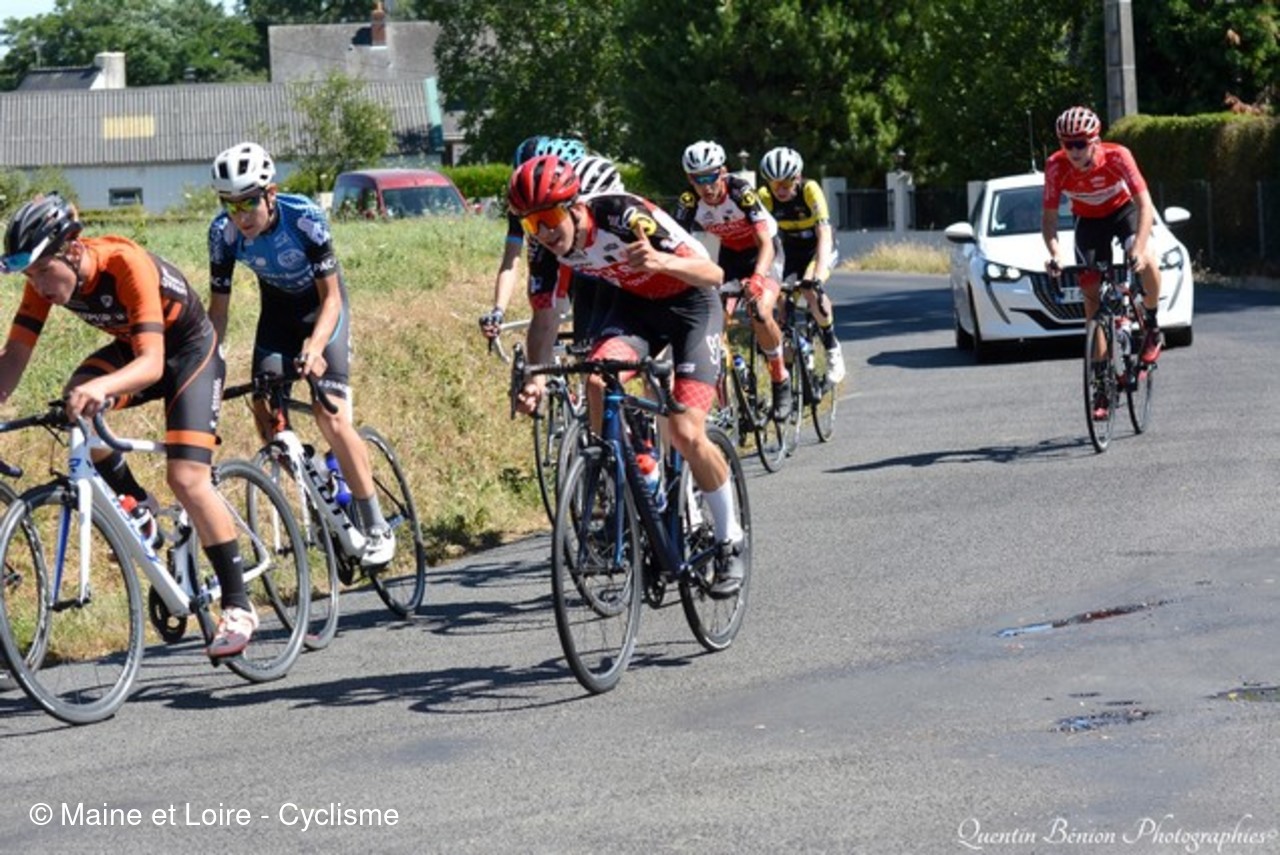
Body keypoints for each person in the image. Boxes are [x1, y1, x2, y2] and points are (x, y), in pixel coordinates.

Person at [0, 193, 258, 656]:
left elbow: (152, 365)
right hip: (136, 348)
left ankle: (239, 605)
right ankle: (138, 504)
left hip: (188, 354)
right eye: (28, 276)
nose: (36, 285)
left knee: (187, 477)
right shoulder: (42, 284)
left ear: (71, 251)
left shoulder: (124, 263)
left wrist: (101, 388)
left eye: (41, 271)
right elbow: (15, 356)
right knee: (77, 403)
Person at [507, 154, 747, 594]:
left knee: (686, 432)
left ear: (575, 207)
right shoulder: (544, 247)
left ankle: (729, 539)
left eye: (549, 219)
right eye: (530, 224)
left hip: (692, 307)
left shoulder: (622, 215)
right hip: (636, 309)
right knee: (597, 381)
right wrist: (536, 380)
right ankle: (643, 479)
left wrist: (660, 262)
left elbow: (713, 273)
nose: (542, 233)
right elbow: (543, 317)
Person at [207, 141, 394, 573]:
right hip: (277, 317)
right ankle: (320, 485)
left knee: (330, 415)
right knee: (266, 413)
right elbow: (218, 312)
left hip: (323, 312)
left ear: (270, 193)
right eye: (229, 204)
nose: (240, 215)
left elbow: (332, 299)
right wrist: (207, 362)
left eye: (249, 202)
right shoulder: (222, 234)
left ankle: (376, 524)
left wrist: (315, 345)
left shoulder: (304, 218)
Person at [1042, 106, 1164, 420]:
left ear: (1095, 141)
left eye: (1080, 143)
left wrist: (1138, 249)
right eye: (1067, 144)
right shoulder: (1055, 166)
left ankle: (1152, 325)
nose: (1073, 151)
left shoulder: (1118, 156)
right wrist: (1055, 254)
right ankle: (1101, 386)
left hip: (1123, 212)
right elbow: (1050, 220)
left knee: (1147, 258)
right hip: (1088, 222)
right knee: (1092, 303)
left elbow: (1145, 205)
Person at [675, 140, 792, 421]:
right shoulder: (688, 202)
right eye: (697, 179)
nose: (705, 186)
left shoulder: (741, 192)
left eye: (710, 177)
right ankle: (731, 389)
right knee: (712, 322)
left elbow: (765, 243)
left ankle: (780, 378)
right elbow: (676, 246)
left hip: (764, 252)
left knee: (760, 311)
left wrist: (758, 278)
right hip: (730, 256)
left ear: (723, 172)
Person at [478, 136, 616, 348]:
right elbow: (511, 261)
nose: (533, 197)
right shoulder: (522, 205)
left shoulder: (592, 200)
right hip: (556, 260)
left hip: (593, 260)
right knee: (546, 311)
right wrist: (498, 310)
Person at [757, 146, 847, 385]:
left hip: (818, 247)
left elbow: (824, 233)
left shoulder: (810, 189)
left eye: (786, 183)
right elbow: (761, 239)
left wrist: (816, 276)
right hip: (789, 250)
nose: (780, 190)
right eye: (774, 184)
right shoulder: (764, 197)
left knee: (809, 290)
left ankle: (832, 347)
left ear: (797, 177)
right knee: (781, 300)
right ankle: (794, 357)